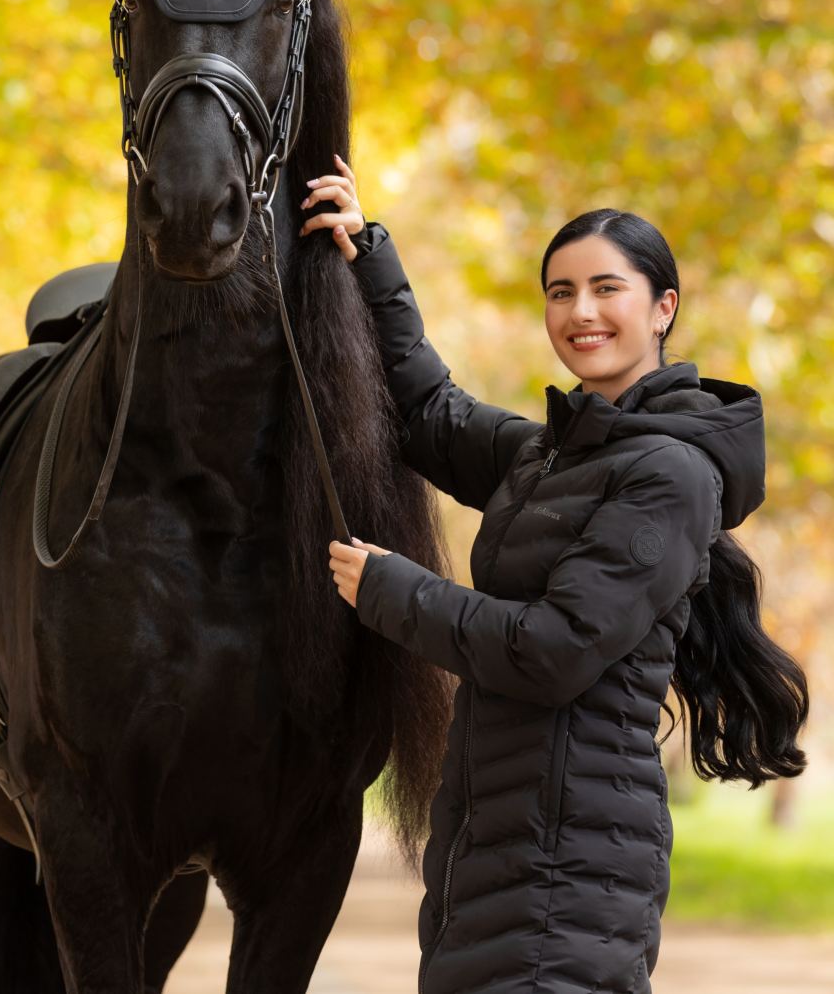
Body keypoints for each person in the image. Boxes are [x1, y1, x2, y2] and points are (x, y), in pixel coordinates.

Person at [299, 155, 809, 994]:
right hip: (493, 847)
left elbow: (553, 650)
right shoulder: (550, 455)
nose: (581, 313)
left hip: (570, 864)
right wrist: (368, 250)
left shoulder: (669, 477)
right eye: (560, 292)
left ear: (663, 307)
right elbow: (430, 413)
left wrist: (394, 590)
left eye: (607, 289)